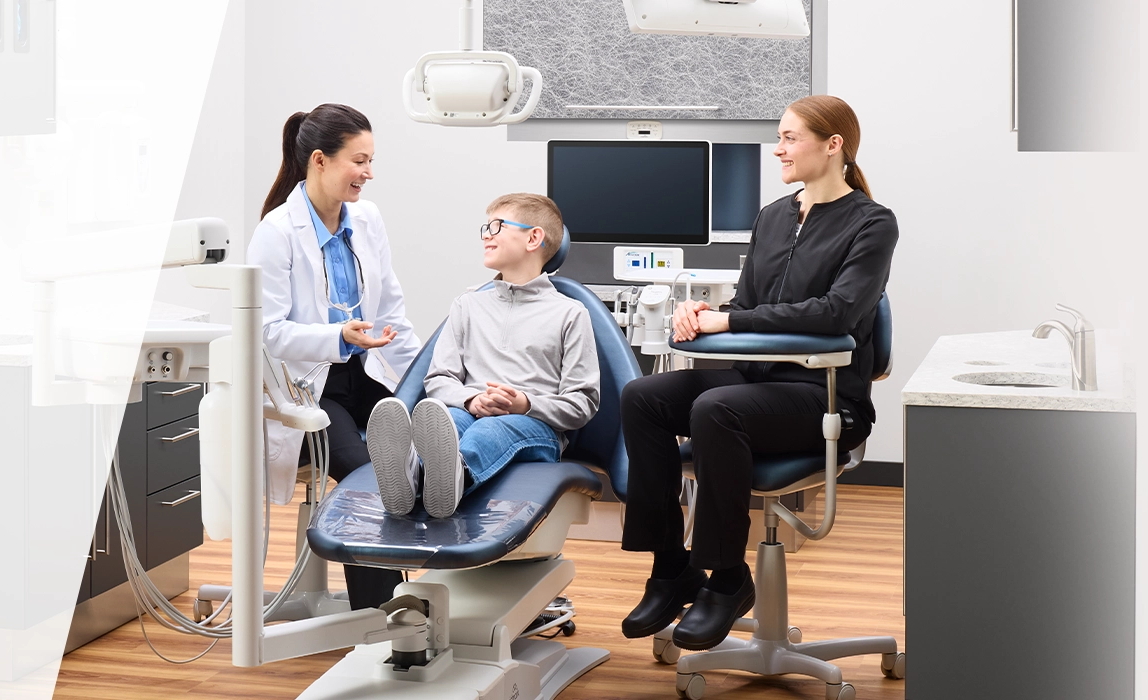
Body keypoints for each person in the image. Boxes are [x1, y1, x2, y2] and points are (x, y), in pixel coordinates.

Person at [617, 95, 898, 651]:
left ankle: (727, 579)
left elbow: (836, 313)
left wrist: (730, 319)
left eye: (790, 138)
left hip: (822, 396)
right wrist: (700, 313)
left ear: (833, 145)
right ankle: (671, 569)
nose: (778, 149)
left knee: (714, 408)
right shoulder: (772, 216)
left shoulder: (872, 223)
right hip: (755, 381)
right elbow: (746, 305)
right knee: (641, 396)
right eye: (779, 137)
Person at [247, 103, 420, 610]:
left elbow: (391, 312)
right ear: (320, 160)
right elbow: (268, 333)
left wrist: (425, 380)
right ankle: (380, 617)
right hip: (306, 388)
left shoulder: (367, 219)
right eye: (359, 161)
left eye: (371, 161)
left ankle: (424, 594)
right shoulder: (277, 232)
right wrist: (338, 336)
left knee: (436, 454)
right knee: (371, 479)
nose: (368, 173)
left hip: (361, 374)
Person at [361, 194, 603, 519]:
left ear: (534, 238)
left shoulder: (570, 314)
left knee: (489, 431)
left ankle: (452, 478)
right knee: (452, 421)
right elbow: (439, 379)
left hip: (535, 428)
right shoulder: (468, 305)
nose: (486, 235)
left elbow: (582, 403)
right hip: (470, 411)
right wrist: (472, 400)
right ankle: (415, 475)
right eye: (485, 227)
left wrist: (525, 404)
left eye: (497, 226)